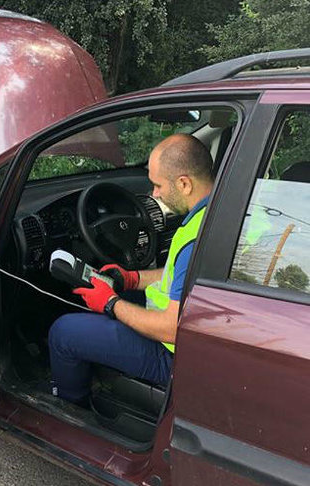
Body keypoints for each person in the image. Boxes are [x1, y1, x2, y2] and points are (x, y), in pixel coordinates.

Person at [48, 133, 214, 406]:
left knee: (63, 332)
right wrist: (131, 278)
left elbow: (173, 329)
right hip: (203, 337)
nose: (154, 194)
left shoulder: (197, 238)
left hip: (175, 355)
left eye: (158, 185)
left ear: (184, 183)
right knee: (105, 302)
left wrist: (111, 303)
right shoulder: (224, 210)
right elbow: (187, 277)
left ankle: (71, 410)